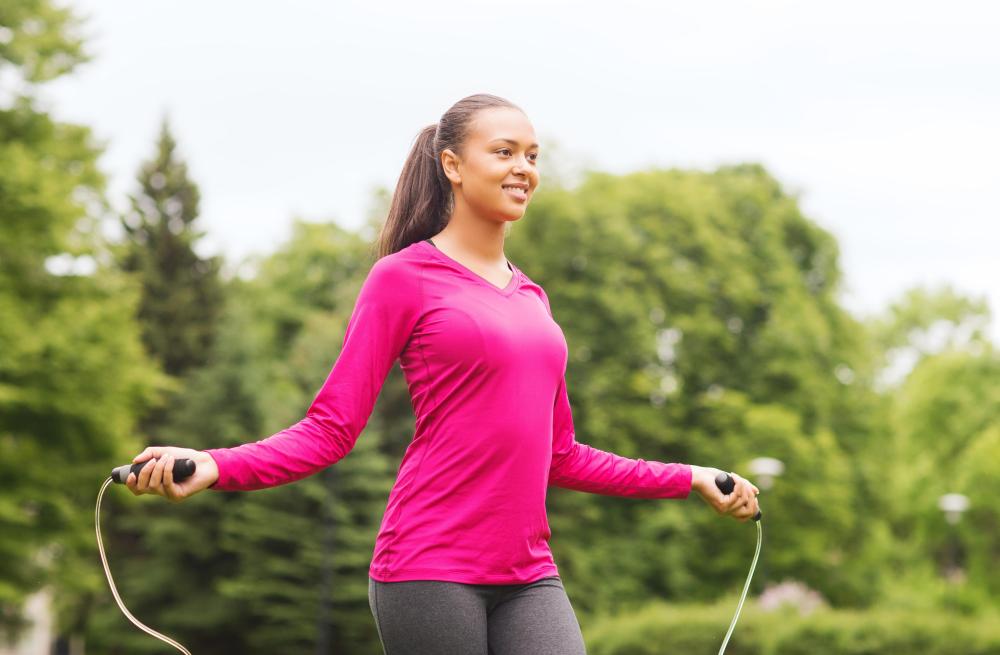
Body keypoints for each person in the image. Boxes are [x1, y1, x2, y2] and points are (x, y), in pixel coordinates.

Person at [126, 93, 761, 655]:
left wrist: (690, 478)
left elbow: (561, 456)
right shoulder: (403, 278)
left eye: (533, 155)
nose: (524, 169)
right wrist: (216, 464)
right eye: (505, 151)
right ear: (452, 165)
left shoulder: (533, 299)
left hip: (529, 574)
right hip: (429, 568)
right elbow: (330, 429)